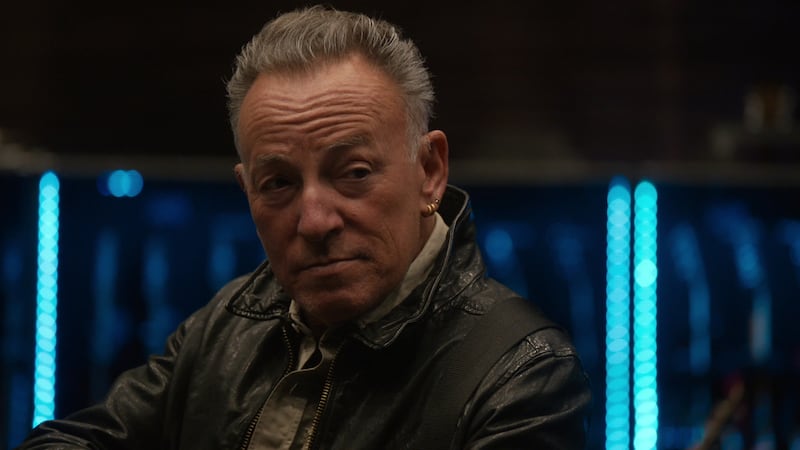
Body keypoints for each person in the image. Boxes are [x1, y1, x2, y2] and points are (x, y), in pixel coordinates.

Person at [19, 6, 591, 449]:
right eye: (278, 184)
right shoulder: (229, 324)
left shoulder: (521, 373)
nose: (315, 221)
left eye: (355, 173)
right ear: (246, 190)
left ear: (429, 171)